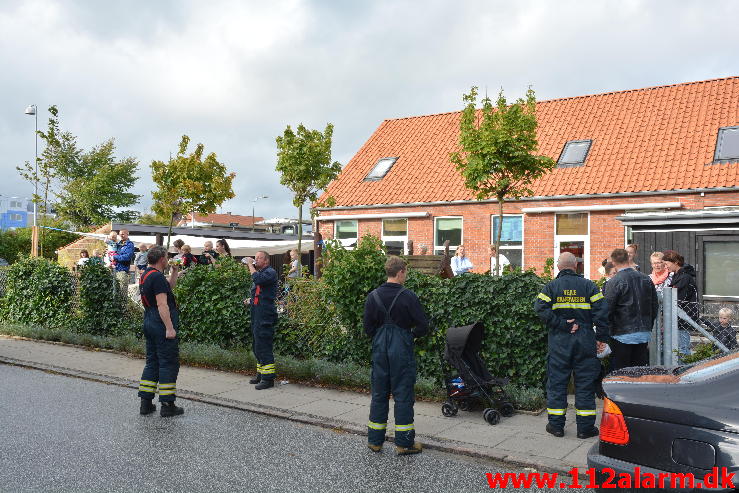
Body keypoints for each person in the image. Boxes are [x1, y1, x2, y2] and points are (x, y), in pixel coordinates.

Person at [533, 252, 608, 439]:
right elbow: (602, 313)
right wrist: (601, 338)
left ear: (559, 266)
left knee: (557, 384)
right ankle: (585, 429)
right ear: (576, 266)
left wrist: (563, 324)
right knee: (585, 384)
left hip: (560, 342)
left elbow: (539, 308)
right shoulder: (589, 286)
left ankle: (556, 426)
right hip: (585, 341)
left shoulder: (550, 287)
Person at [363, 256, 429, 455]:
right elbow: (423, 326)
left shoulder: (372, 296)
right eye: (405, 272)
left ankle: (375, 441)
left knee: (379, 394)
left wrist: (381, 337)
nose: (405, 276)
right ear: (400, 272)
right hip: (401, 349)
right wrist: (410, 336)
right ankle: (404, 444)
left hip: (380, 349)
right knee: (403, 395)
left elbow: (368, 328)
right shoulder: (408, 296)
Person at [137, 245, 183, 417]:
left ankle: (146, 403)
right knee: (168, 362)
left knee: (152, 362)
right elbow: (162, 304)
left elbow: (168, 287)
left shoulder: (148, 274)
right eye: (167, 256)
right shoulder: (156, 277)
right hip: (160, 321)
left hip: (149, 320)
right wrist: (169, 328)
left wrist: (175, 271)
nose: (168, 258)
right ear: (162, 259)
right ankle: (167, 404)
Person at [604, 248, 659, 372]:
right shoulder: (646, 279)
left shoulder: (614, 281)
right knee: (639, 371)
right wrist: (648, 324)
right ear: (628, 259)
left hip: (621, 333)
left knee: (622, 372)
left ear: (613, 262)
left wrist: (605, 331)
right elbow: (654, 305)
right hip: (643, 332)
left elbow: (607, 309)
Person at [243, 251, 278, 390]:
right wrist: (251, 300)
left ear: (266, 261)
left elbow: (258, 280)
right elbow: (261, 292)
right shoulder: (262, 273)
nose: (256, 260)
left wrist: (250, 265)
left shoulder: (270, 272)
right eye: (255, 258)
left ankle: (268, 379)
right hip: (257, 312)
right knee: (257, 344)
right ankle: (261, 373)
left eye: (259, 258)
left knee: (263, 344)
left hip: (265, 313)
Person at [663, 250, 698, 357]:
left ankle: (684, 370)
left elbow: (678, 299)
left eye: (667, 264)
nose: (665, 267)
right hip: (677, 318)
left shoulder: (684, 277)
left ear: (675, 262)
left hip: (683, 317)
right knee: (677, 347)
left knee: (682, 348)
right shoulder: (677, 275)